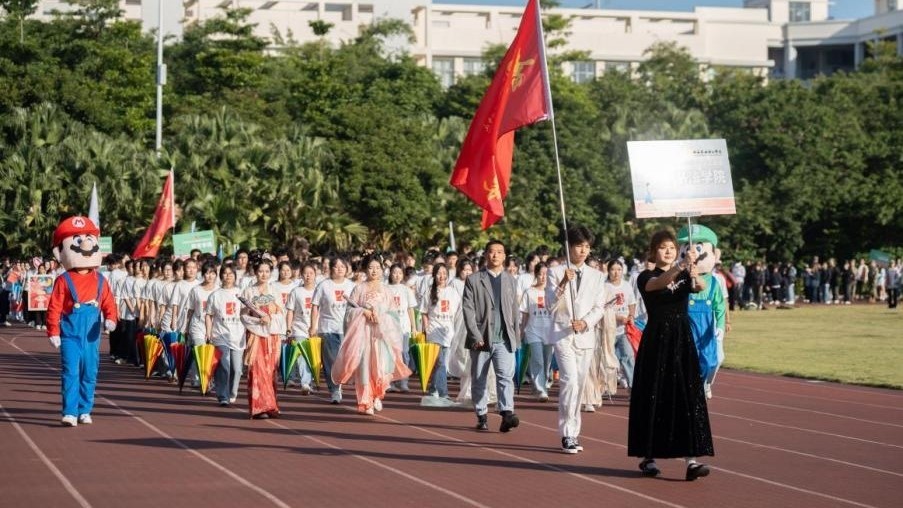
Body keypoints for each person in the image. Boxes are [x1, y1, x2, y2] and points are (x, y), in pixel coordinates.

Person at [628, 229, 714, 481]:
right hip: (657, 341)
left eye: (672, 248)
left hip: (682, 340)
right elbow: (659, 284)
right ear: (653, 251)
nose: (668, 251)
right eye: (663, 247)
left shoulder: (685, 272)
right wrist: (681, 265)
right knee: (654, 395)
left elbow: (701, 286)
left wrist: (695, 275)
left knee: (686, 395)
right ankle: (649, 457)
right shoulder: (645, 276)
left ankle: (691, 461)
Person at [46, 217, 118, 427]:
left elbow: (109, 303)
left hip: (92, 335)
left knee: (89, 372)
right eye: (77, 240)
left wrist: (111, 319)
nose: (85, 244)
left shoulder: (101, 279)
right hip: (70, 334)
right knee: (70, 372)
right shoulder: (63, 280)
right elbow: (54, 307)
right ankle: (69, 411)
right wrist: (53, 331)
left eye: (89, 238)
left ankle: (85, 409)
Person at [546, 226, 606, 453]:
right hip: (563, 334)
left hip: (585, 335)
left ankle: (574, 431)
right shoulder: (555, 272)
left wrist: (586, 322)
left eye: (587, 247)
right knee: (569, 380)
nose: (583, 251)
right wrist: (563, 283)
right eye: (579, 246)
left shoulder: (597, 276)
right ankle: (567, 434)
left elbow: (599, 307)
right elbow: (550, 305)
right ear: (569, 247)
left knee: (579, 385)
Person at [331, 256, 412, 415]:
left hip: (381, 335)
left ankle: (377, 395)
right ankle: (366, 400)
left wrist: (380, 315)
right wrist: (363, 312)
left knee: (381, 366)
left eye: (377, 268)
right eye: (370, 267)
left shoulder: (386, 290)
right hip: (363, 335)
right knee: (364, 367)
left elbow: (394, 315)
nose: (374, 271)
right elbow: (349, 312)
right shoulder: (358, 289)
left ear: (382, 270)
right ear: (365, 270)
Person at [462, 239, 520, 433]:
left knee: (505, 377)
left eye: (499, 252)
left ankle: (507, 413)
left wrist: (516, 337)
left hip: (504, 338)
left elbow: (514, 311)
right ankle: (481, 415)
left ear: (504, 256)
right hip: (482, 338)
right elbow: (468, 310)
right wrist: (475, 335)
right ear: (486, 254)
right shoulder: (474, 280)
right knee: (479, 379)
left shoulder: (511, 280)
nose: (495, 255)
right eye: (492, 251)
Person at [240, 260, 286, 419]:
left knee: (270, 371)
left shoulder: (275, 291)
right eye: (260, 271)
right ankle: (259, 408)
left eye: (267, 271)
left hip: (271, 337)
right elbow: (243, 316)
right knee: (257, 370)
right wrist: (258, 321)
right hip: (255, 336)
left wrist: (270, 318)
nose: (264, 274)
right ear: (255, 272)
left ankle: (271, 406)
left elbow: (281, 314)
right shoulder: (248, 292)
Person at [309, 257, 356, 404]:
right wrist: (313, 326)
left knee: (346, 360)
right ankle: (335, 390)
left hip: (348, 328)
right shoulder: (324, 285)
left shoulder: (352, 286)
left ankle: (343, 382)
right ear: (331, 269)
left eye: (343, 266)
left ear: (347, 269)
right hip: (328, 328)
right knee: (332, 361)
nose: (340, 269)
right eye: (336, 266)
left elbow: (358, 306)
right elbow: (315, 306)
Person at [205, 264, 246, 407]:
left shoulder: (241, 293)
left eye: (231, 273)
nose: (228, 276)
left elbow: (247, 312)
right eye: (225, 273)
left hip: (238, 336)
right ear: (220, 276)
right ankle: (223, 395)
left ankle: (232, 392)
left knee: (237, 369)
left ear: (235, 276)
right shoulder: (215, 295)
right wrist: (208, 332)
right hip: (220, 335)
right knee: (224, 366)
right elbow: (209, 315)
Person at [420, 262, 460, 406]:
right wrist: (426, 329)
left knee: (440, 364)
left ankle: (433, 389)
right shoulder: (429, 292)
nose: (442, 276)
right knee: (440, 362)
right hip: (434, 331)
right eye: (439, 273)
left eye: (444, 273)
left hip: (448, 332)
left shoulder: (453, 292)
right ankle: (443, 393)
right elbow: (424, 312)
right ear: (434, 275)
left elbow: (458, 312)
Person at [518, 262, 555, 402]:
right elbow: (525, 314)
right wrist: (521, 331)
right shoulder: (529, 292)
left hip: (549, 332)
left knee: (547, 362)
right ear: (536, 275)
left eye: (546, 274)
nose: (543, 277)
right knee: (537, 360)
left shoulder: (553, 292)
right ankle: (541, 390)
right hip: (533, 331)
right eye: (541, 274)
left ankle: (541, 385)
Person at [285, 262, 319, 393]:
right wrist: (288, 328)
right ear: (301, 275)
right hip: (299, 328)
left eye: (311, 273)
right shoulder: (296, 291)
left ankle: (312, 381)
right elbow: (290, 311)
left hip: (317, 328)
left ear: (315, 275)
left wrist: (315, 327)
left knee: (313, 357)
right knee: (302, 356)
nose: (308, 276)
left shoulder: (319, 290)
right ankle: (305, 383)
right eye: (305, 273)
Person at [604, 259, 636, 389]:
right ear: (608, 271)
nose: (616, 273)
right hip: (608, 330)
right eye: (613, 269)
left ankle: (633, 387)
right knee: (608, 359)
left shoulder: (626, 286)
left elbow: (632, 303)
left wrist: (631, 316)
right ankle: (607, 387)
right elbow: (601, 308)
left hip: (623, 330)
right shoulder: (604, 286)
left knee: (628, 356)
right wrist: (616, 318)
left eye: (619, 269)